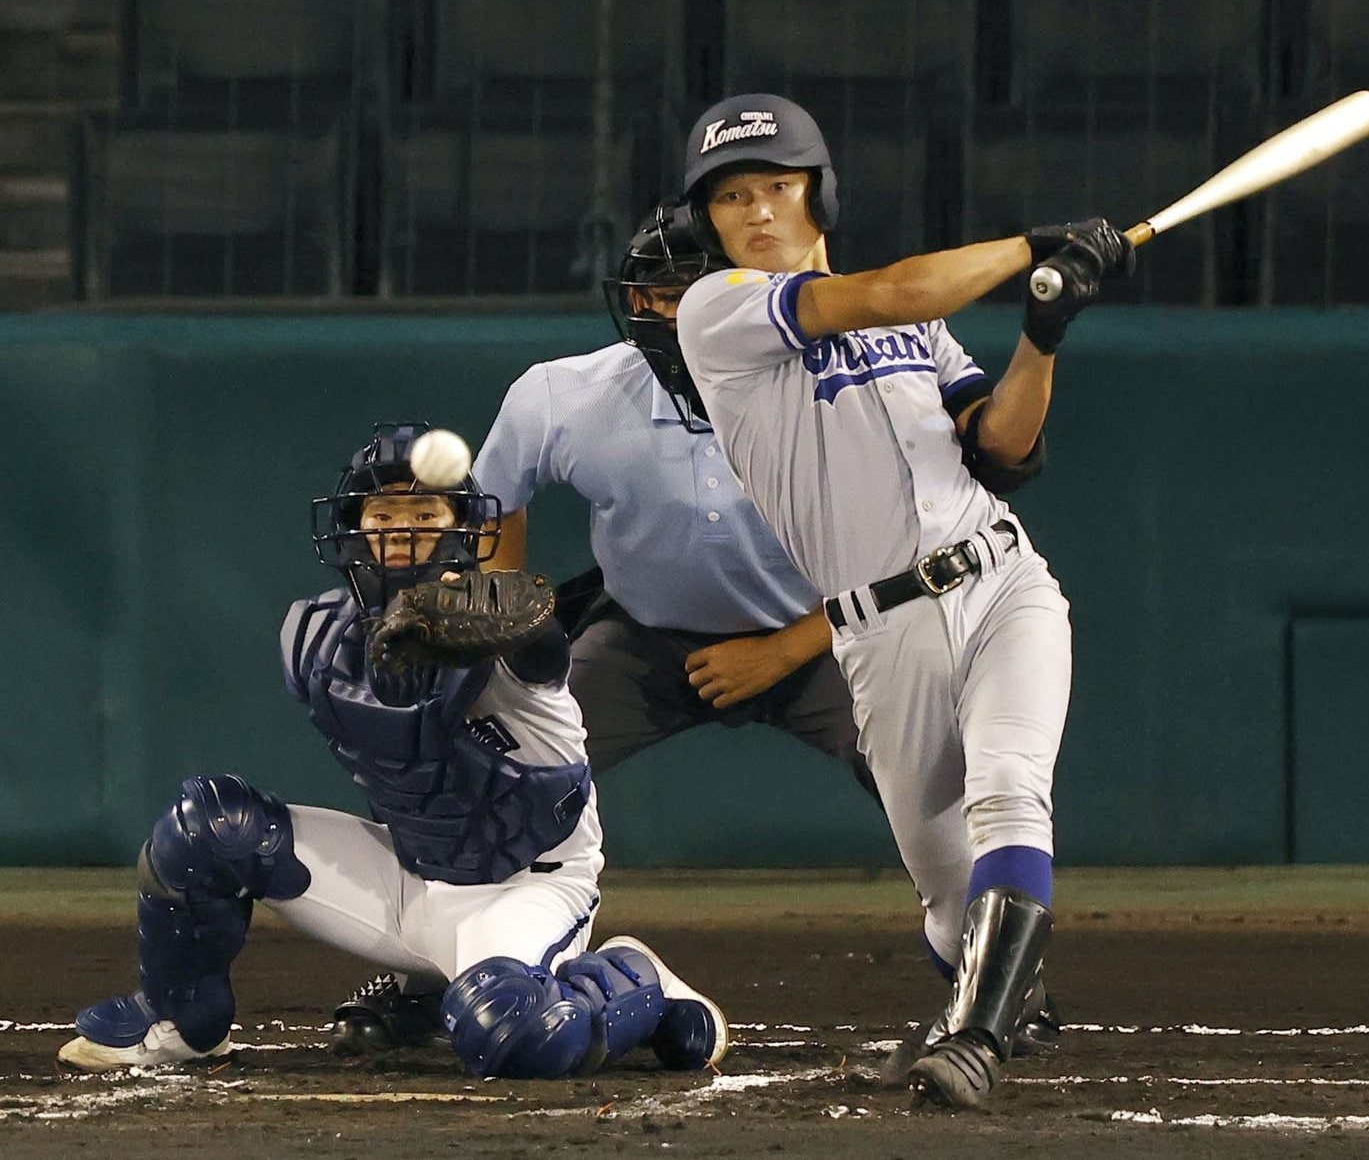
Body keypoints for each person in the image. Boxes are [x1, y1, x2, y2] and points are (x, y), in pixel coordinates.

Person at [670, 94, 1133, 1108]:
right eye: (731, 197)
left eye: (776, 186)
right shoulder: (717, 313)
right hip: (880, 635)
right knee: (948, 897)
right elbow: (877, 297)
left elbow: (1003, 448)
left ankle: (972, 1037)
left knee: (1012, 789)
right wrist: (1030, 245)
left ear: (818, 190)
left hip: (1003, 582)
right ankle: (1005, 986)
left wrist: (1043, 334)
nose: (754, 211)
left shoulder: (920, 317)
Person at [56, 423, 727, 1080]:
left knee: (517, 1032)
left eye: (423, 510)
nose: (402, 527)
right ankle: (178, 1025)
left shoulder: (510, 628)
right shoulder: (315, 637)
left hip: (526, 883)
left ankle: (634, 976)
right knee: (205, 828)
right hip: (408, 876)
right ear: (354, 526)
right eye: (385, 511)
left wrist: (473, 627)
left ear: (461, 527)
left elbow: (538, 639)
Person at [471, 202, 878, 798]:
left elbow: (907, 556)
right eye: (671, 294)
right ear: (637, 302)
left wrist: (783, 652)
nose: (695, 316)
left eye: (717, 293)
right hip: (642, 638)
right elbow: (493, 499)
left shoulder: (846, 391)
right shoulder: (566, 395)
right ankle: (491, 893)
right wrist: (500, 615)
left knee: (923, 762)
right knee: (504, 769)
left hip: (819, 631)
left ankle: (990, 891)